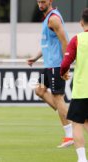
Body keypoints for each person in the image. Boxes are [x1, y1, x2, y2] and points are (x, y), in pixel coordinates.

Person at [27, 0, 73, 148]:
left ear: (50, 1)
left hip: (56, 65)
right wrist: (35, 57)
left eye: (43, 1)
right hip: (48, 65)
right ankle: (67, 116)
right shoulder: (47, 18)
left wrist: (65, 67)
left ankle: (69, 136)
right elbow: (48, 44)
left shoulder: (54, 18)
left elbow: (65, 42)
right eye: (38, 1)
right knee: (39, 90)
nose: (40, 4)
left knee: (58, 98)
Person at [60, 8, 88, 162]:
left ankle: (82, 159)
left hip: (82, 90)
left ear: (81, 22)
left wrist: (63, 73)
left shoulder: (78, 39)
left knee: (77, 123)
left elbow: (65, 63)